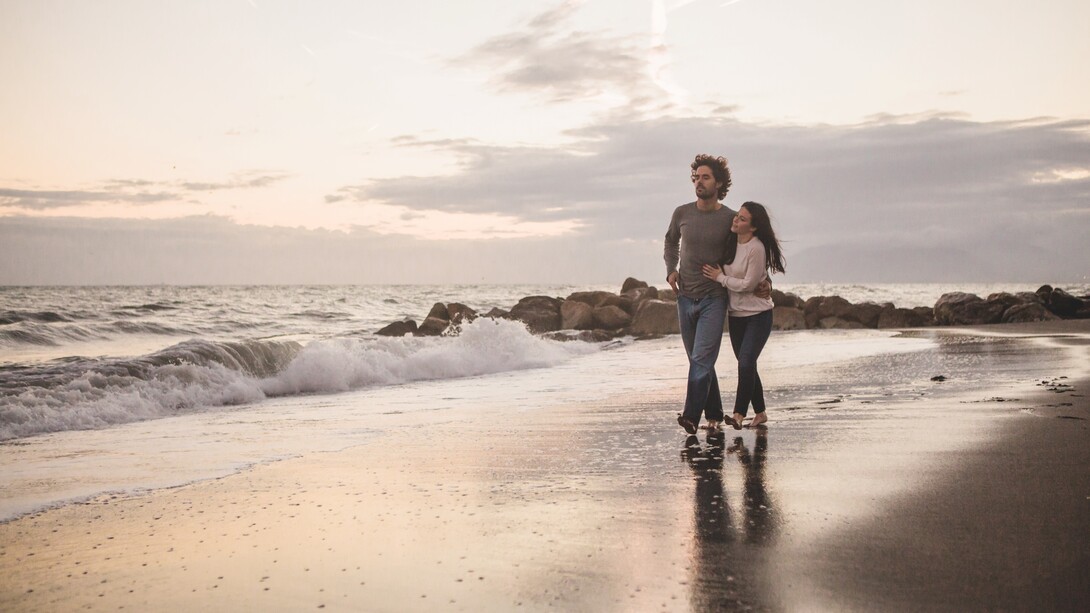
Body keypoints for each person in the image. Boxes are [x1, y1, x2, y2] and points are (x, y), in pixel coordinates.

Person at [665, 155, 769, 435]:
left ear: (719, 183)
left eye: (706, 177)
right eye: (696, 177)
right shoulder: (682, 213)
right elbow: (670, 240)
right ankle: (712, 414)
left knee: (701, 358)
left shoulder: (729, 219)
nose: (699, 182)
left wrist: (764, 279)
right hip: (684, 297)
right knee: (699, 360)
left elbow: (751, 249)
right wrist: (670, 269)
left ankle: (690, 416)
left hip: (714, 298)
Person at [701, 201, 785, 429]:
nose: (736, 220)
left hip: (759, 315)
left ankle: (738, 414)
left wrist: (720, 278)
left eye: (743, 219)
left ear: (754, 227)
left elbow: (748, 285)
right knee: (747, 364)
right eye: (737, 216)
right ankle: (761, 413)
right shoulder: (730, 242)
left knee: (746, 362)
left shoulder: (756, 248)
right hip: (736, 316)